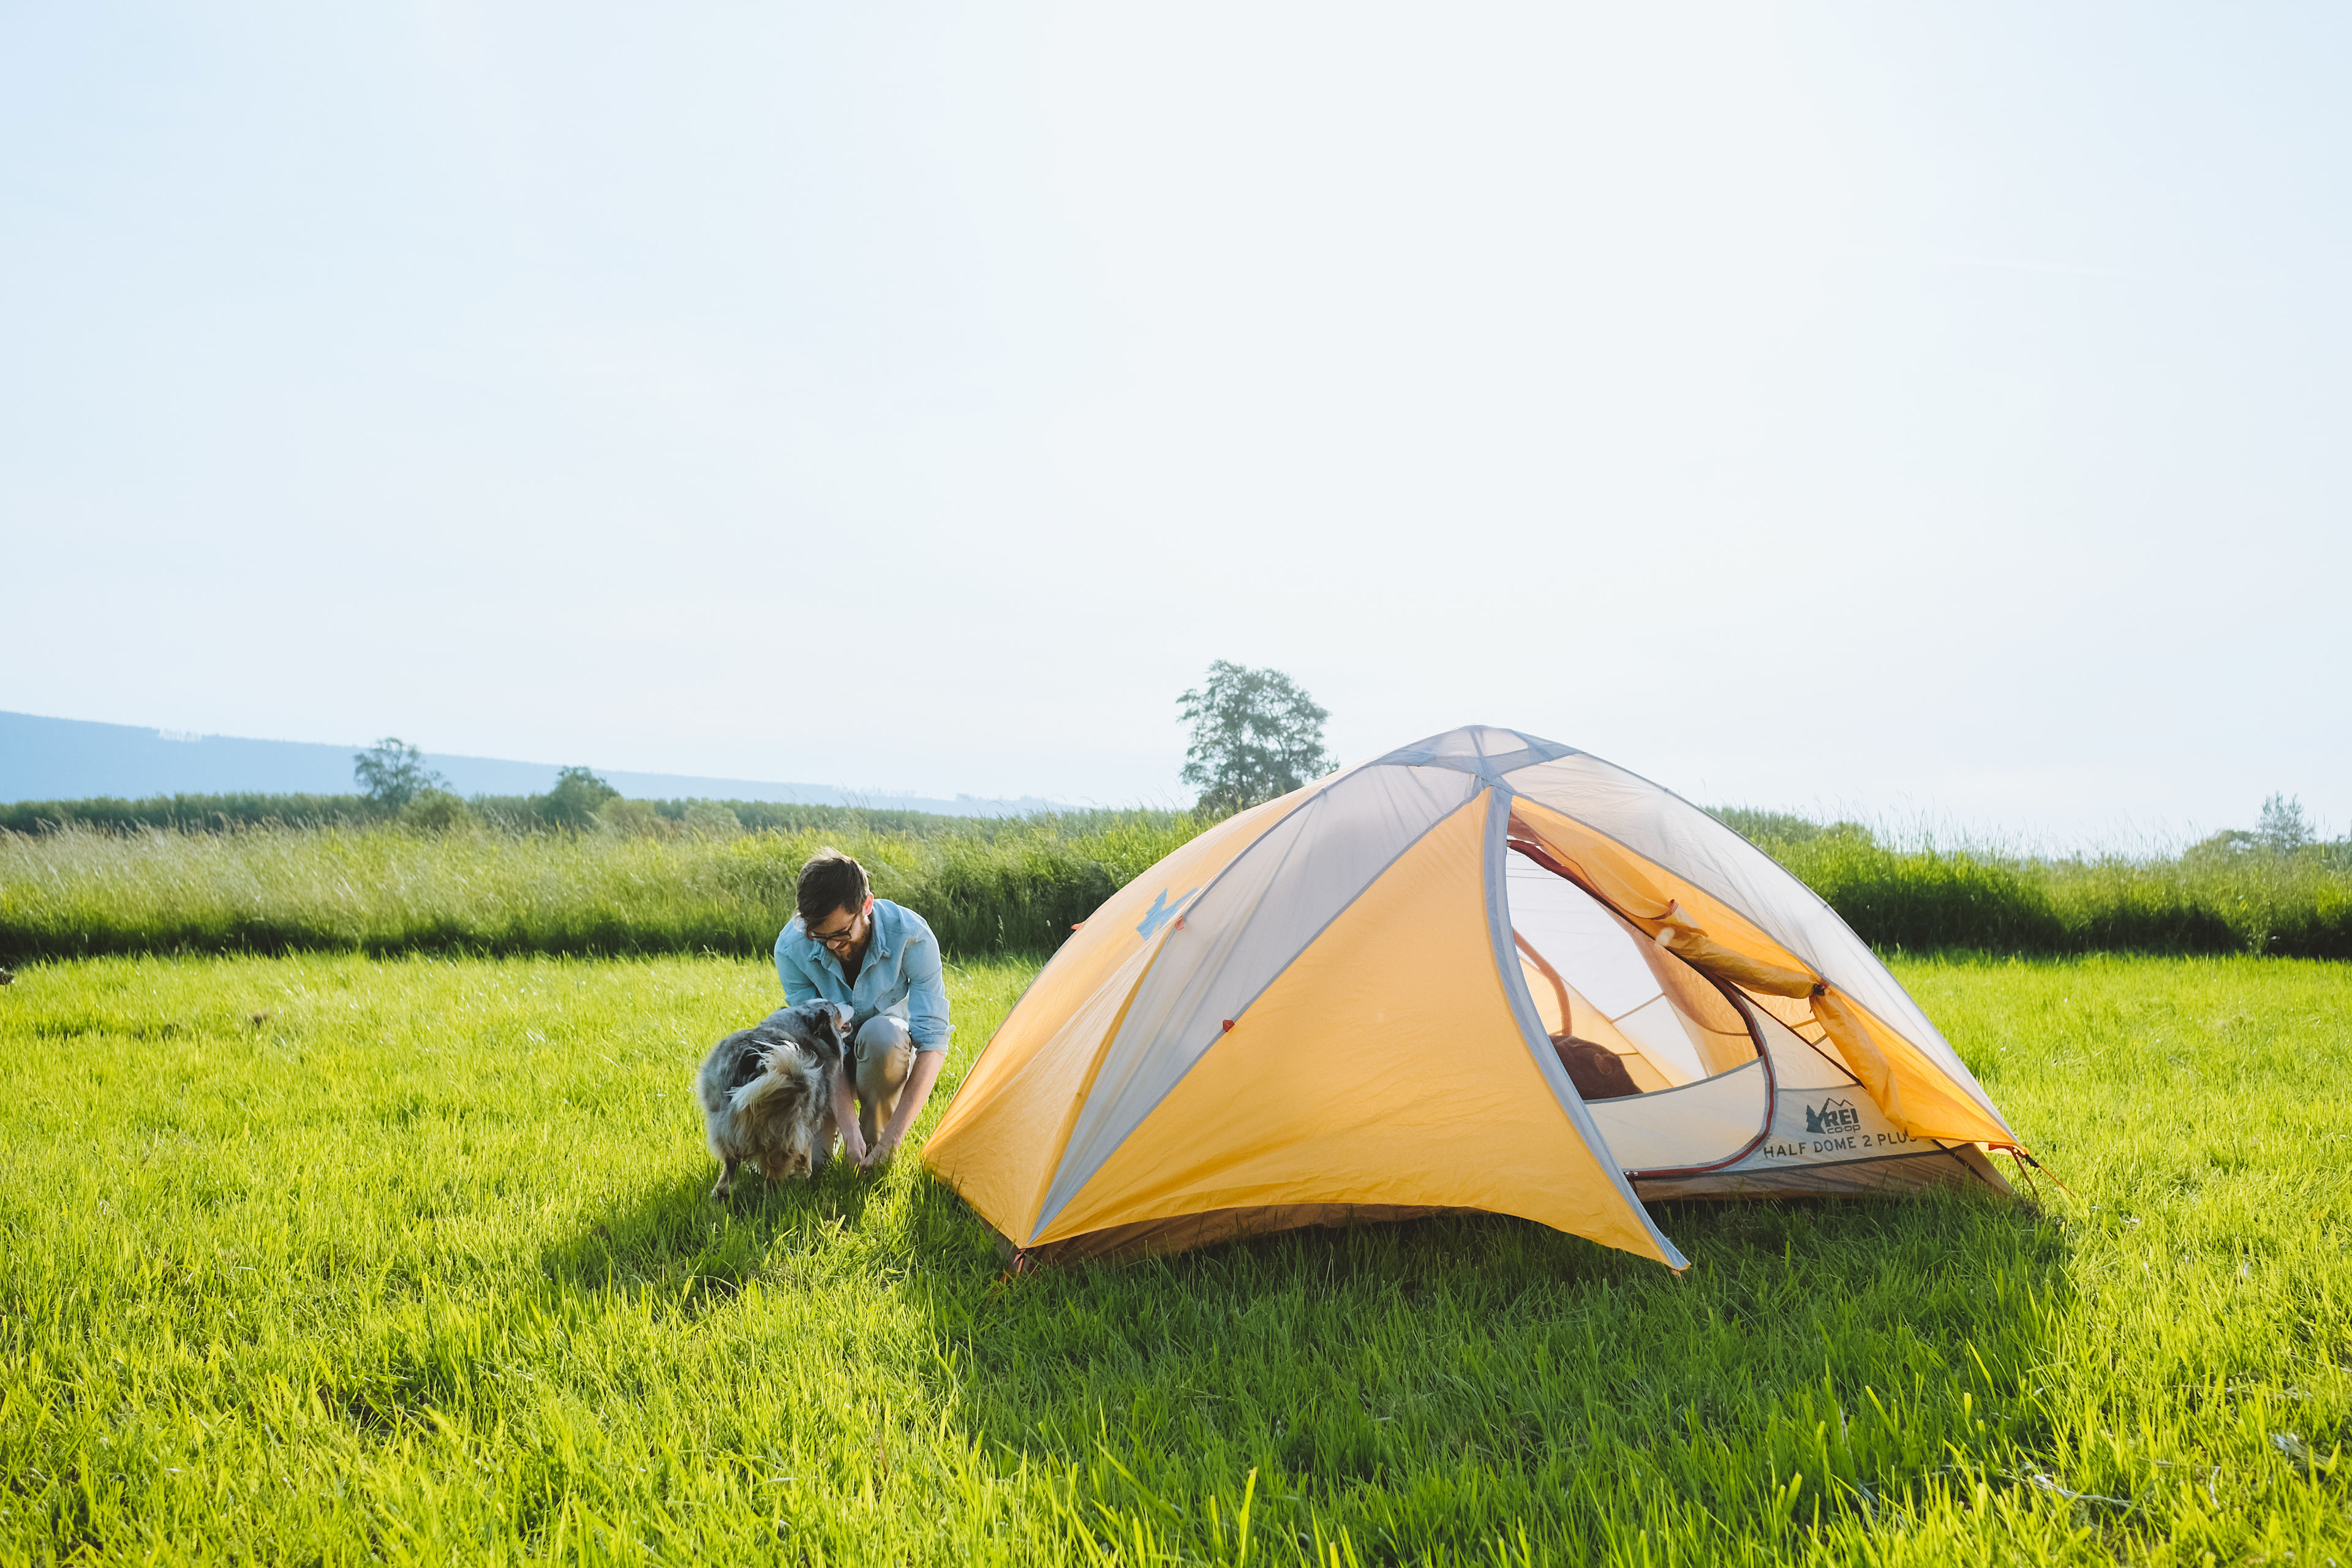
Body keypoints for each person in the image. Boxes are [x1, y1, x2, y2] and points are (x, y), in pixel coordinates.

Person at [773, 848, 951, 1170]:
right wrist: (847, 1126)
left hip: (887, 1059)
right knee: (811, 1168)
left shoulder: (912, 936)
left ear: (866, 905)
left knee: (883, 1033)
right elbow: (818, 1043)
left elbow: (933, 1042)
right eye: (820, 936)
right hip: (825, 1065)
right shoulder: (791, 947)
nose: (832, 945)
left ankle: (875, 1144)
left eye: (842, 933)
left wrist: (891, 1141)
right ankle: (841, 1141)